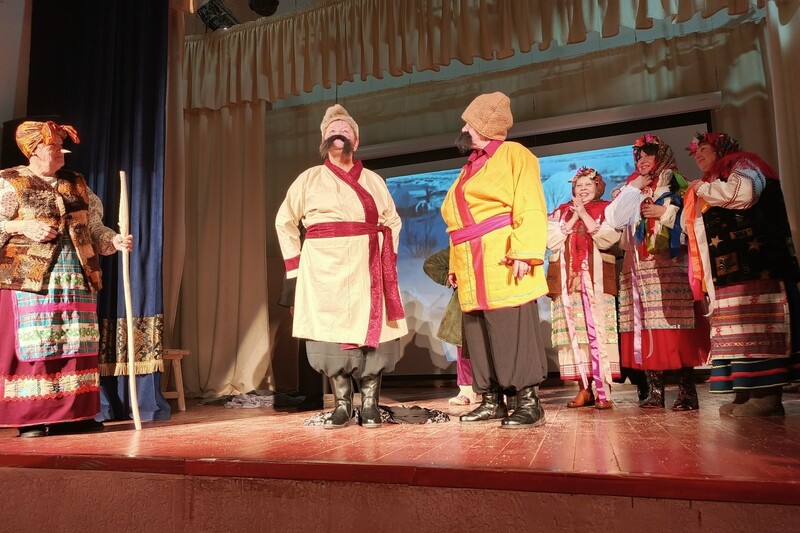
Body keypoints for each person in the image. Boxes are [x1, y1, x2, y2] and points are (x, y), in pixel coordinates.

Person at [275, 104, 407, 429]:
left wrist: (385, 259)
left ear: (356, 141)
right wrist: (297, 269)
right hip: (323, 271)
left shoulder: (373, 180)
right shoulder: (308, 179)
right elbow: (285, 221)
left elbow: (392, 220)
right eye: (333, 131)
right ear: (323, 139)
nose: (339, 134)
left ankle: (371, 404)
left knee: (371, 336)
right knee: (330, 335)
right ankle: (342, 405)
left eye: (345, 131)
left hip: (366, 267)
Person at [0, 120, 134, 438]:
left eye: (62, 146)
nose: (61, 152)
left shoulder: (76, 183)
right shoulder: (9, 181)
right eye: (54, 147)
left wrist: (113, 240)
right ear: (33, 150)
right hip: (30, 281)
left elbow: (93, 227)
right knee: (38, 344)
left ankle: (76, 414)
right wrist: (22, 226)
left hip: (75, 276)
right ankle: (32, 417)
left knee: (77, 342)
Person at [441, 92, 549, 429]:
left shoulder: (515, 154)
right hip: (471, 262)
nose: (464, 128)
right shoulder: (470, 166)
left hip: (501, 257)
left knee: (510, 329)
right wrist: (455, 265)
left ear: (484, 125)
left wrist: (525, 251)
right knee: (478, 332)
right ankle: (492, 401)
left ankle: (529, 402)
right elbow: (458, 221)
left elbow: (530, 203)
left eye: (469, 123)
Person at [684, 132, 800, 416]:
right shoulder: (716, 178)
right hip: (732, 272)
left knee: (756, 329)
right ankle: (746, 391)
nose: (698, 155)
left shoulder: (744, 164)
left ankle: (766, 395)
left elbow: (744, 194)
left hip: (758, 269)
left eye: (703, 148)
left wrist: (702, 188)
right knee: (737, 330)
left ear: (721, 148)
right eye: (695, 152)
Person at [605, 134, 709, 410]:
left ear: (661, 155)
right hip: (638, 267)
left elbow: (693, 222)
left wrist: (663, 212)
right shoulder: (632, 187)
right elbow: (614, 219)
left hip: (669, 265)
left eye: (648, 154)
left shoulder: (677, 182)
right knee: (646, 326)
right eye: (638, 156)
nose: (642, 160)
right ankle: (655, 391)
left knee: (675, 325)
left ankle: (687, 391)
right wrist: (634, 188)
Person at [546, 167, 622, 409]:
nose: (583, 189)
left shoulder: (607, 209)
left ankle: (603, 389)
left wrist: (584, 215)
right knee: (575, 334)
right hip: (569, 283)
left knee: (598, 331)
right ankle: (583, 388)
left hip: (596, 280)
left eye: (588, 185)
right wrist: (573, 217)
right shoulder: (561, 212)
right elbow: (551, 241)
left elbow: (608, 238)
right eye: (579, 186)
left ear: (598, 187)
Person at [422, 247, 477, 406]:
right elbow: (431, 264)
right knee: (464, 347)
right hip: (465, 302)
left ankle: (499, 392)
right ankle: (466, 391)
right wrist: (449, 279)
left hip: (493, 299)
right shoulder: (461, 246)